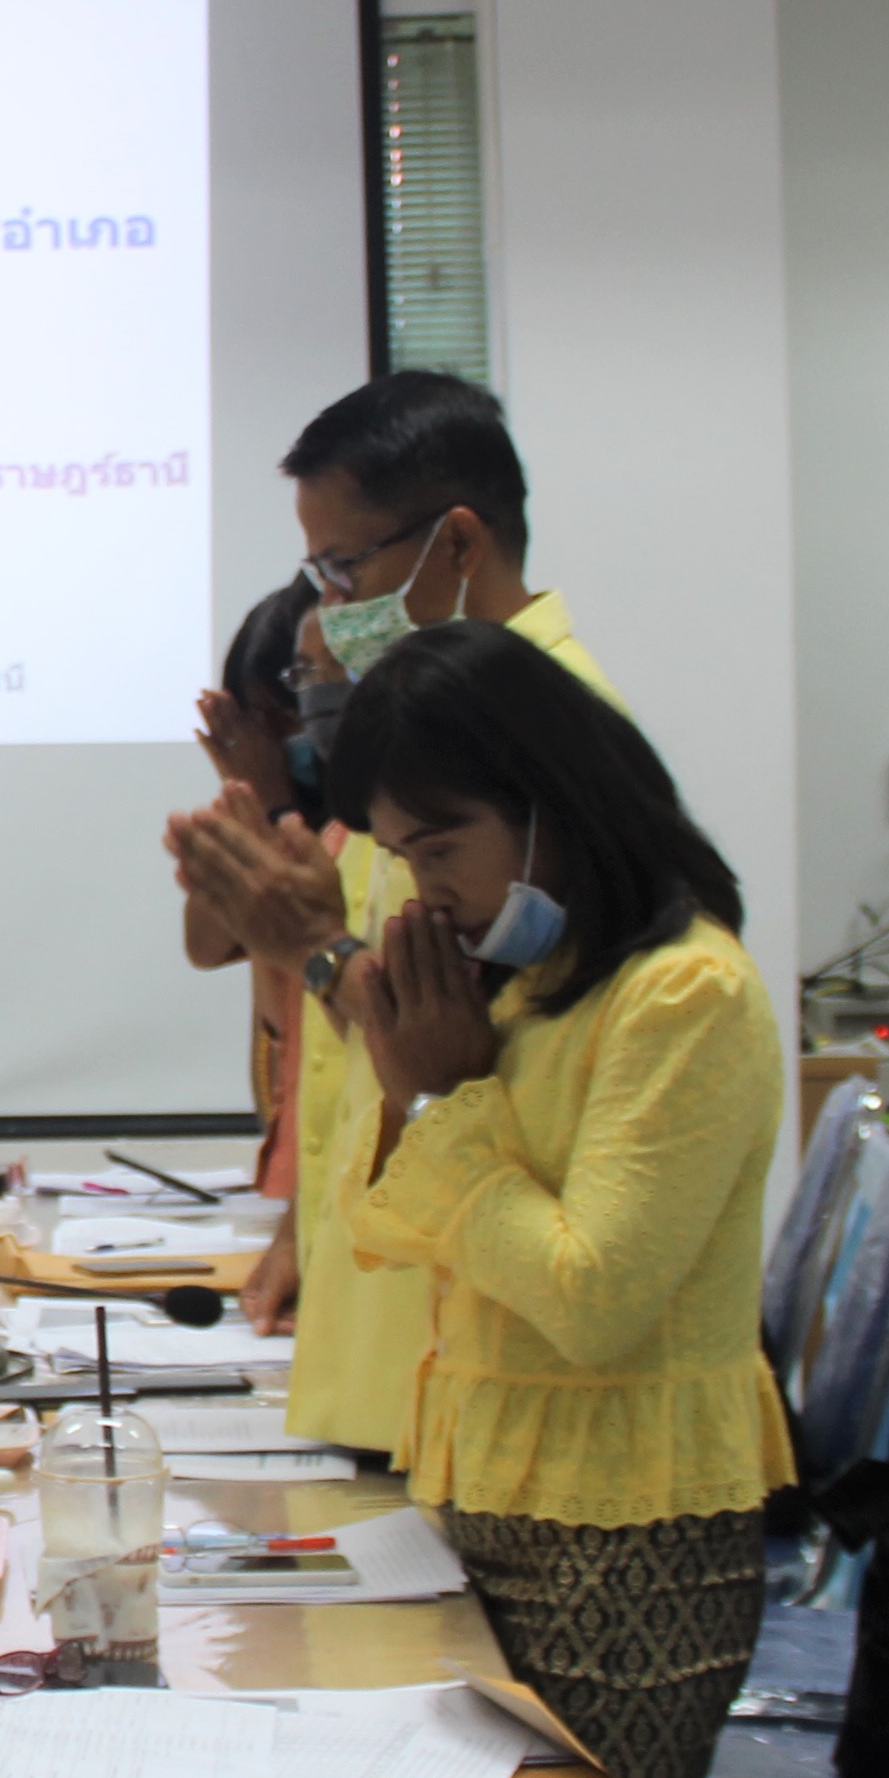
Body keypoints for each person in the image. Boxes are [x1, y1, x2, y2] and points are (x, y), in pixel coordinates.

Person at [324, 620, 790, 1778]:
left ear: (552, 805)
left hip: (626, 1549)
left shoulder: (682, 996)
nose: (422, 895)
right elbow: (384, 1224)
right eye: (400, 857)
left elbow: (592, 1297)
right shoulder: (536, 987)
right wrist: (431, 1087)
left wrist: (447, 1097)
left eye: (440, 847)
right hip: (496, 1512)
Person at [172, 375, 617, 1456]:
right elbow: (380, 1040)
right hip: (387, 1336)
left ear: (458, 544)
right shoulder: (441, 721)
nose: (328, 606)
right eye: (317, 572)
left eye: (347, 566)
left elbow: (481, 1049)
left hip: (471, 1361)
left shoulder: (549, 742)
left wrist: (315, 951)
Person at [171, 578, 326, 1249]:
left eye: (280, 721)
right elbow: (205, 945)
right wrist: (247, 797)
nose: (267, 741)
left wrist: (270, 800)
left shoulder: (366, 822)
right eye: (250, 725)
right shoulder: (257, 809)